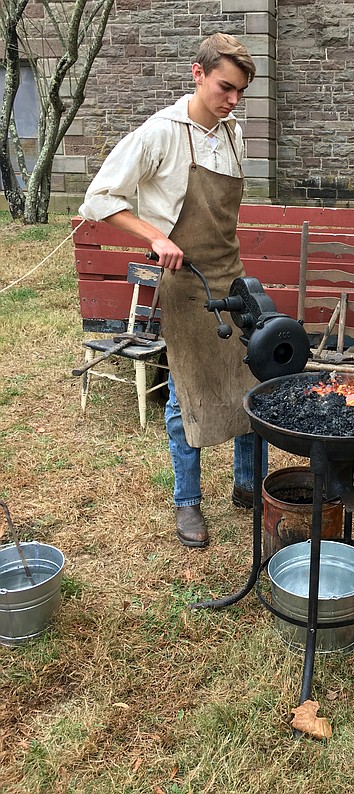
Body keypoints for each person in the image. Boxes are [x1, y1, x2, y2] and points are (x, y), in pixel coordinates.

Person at [79, 33, 268, 548]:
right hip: (185, 285)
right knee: (187, 393)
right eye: (225, 89)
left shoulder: (233, 134)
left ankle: (249, 485)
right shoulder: (158, 133)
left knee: (253, 382)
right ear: (197, 74)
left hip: (232, 276)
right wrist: (156, 236)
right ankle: (187, 503)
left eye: (240, 93)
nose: (233, 101)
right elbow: (99, 198)